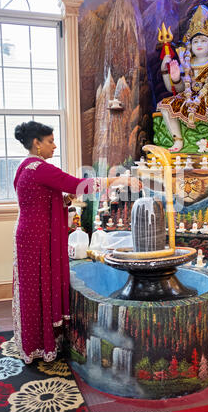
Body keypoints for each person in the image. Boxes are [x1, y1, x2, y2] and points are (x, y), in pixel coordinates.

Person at [13, 121, 140, 363]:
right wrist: (121, 181)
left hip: (27, 233)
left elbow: (38, 200)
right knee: (37, 287)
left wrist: (62, 200)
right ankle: (39, 344)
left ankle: (35, 342)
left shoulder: (25, 167)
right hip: (37, 237)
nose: (54, 145)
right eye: (50, 141)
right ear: (37, 143)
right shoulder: (40, 168)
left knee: (33, 289)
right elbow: (80, 184)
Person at [157, 5, 208, 152]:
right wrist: (176, 78)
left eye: (203, 41)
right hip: (188, 98)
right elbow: (180, 89)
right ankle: (178, 140)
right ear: (190, 46)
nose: (199, 45)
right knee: (165, 106)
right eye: (195, 42)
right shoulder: (187, 63)